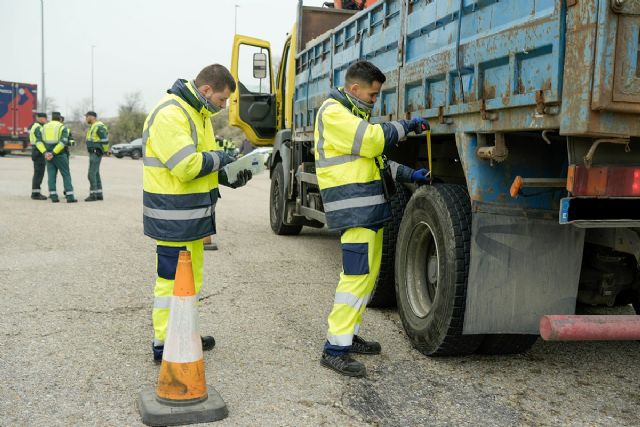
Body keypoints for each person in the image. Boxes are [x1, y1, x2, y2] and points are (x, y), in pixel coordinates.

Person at [315, 60, 430, 377]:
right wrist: (406, 127)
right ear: (354, 89)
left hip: (366, 208)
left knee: (366, 276)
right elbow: (373, 141)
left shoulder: (352, 115)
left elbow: (378, 161)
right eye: (372, 94)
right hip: (354, 210)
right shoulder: (333, 112)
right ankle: (334, 349)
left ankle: (347, 336)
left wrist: (410, 174)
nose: (374, 99)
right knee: (354, 278)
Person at [142, 64, 254, 363]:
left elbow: (203, 166)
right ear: (206, 91)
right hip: (173, 215)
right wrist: (220, 158)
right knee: (170, 282)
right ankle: (165, 342)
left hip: (191, 214)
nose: (223, 107)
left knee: (191, 280)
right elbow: (186, 166)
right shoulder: (171, 113)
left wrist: (229, 174)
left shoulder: (197, 114)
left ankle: (184, 332)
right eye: (221, 100)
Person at [37, 111, 77, 203]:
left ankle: (53, 196)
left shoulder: (44, 127)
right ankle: (70, 197)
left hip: (48, 156)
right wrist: (53, 153)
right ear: (60, 119)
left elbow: (38, 142)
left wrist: (45, 153)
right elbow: (62, 143)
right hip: (60, 155)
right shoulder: (62, 127)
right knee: (66, 174)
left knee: (51, 175)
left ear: (51, 118)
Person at [84, 111, 109, 201]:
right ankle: (99, 194)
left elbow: (105, 140)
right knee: (96, 174)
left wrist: (106, 151)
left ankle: (93, 195)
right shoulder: (93, 126)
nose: (86, 118)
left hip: (96, 153)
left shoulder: (98, 126)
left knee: (91, 174)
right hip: (93, 152)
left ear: (92, 117)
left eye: (87, 117)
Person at [29, 112, 48, 200]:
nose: (46, 120)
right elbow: (39, 141)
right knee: (39, 173)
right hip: (38, 151)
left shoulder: (36, 126)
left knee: (38, 172)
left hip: (36, 151)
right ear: (40, 118)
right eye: (45, 119)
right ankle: (36, 194)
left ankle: (36, 192)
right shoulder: (38, 128)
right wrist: (45, 152)